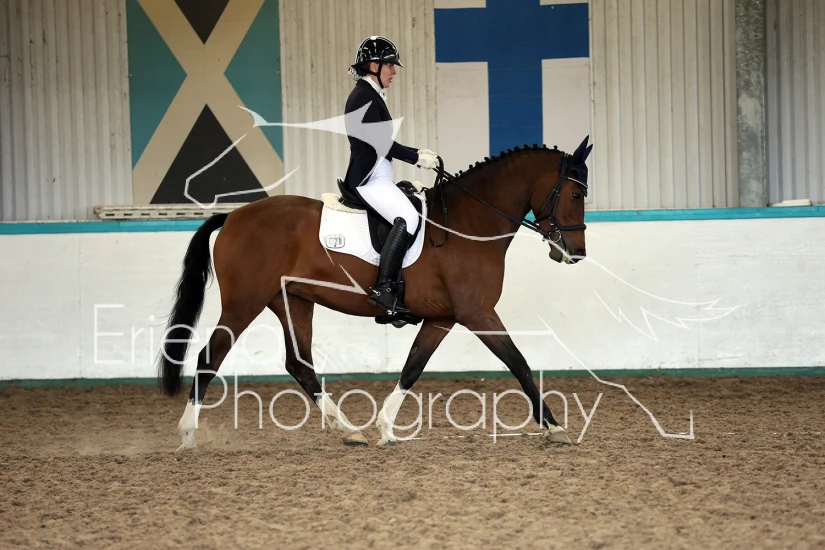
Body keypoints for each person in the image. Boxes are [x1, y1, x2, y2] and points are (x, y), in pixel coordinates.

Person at [343, 36, 438, 315]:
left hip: (379, 174)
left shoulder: (371, 94)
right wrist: (416, 158)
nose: (394, 72)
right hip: (368, 179)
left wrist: (416, 152)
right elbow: (380, 142)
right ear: (374, 66)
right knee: (408, 217)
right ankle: (383, 288)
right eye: (390, 66)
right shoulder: (363, 96)